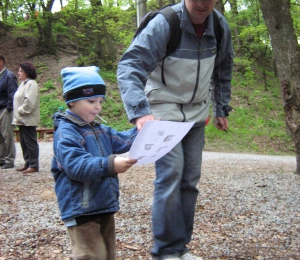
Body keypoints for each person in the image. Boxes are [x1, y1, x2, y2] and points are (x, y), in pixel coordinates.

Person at [117, 0, 233, 259]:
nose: (202, 3)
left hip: (196, 114)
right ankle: (165, 250)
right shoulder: (166, 22)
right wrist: (140, 112)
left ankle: (180, 248)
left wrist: (221, 108)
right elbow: (130, 65)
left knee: (190, 181)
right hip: (163, 111)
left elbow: (223, 69)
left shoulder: (220, 27)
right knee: (171, 174)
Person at [51, 66, 138, 260]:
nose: (97, 106)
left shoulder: (99, 129)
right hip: (82, 210)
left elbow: (123, 139)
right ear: (72, 101)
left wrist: (143, 130)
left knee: (107, 254)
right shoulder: (66, 132)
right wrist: (110, 165)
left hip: (104, 204)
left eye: (100, 101)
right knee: (90, 255)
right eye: (91, 101)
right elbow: (76, 166)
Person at [12, 62, 40, 174]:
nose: (18, 73)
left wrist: (21, 110)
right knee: (23, 141)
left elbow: (29, 101)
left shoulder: (31, 84)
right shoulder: (23, 83)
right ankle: (28, 163)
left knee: (30, 142)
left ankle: (34, 165)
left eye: (21, 71)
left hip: (28, 118)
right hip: (21, 119)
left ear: (27, 72)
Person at [0, 54, 18, 169]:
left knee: (7, 134)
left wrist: (8, 109)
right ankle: (2, 158)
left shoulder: (9, 76)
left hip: (5, 109)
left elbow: (13, 94)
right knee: (0, 136)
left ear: (1, 62)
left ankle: (10, 159)